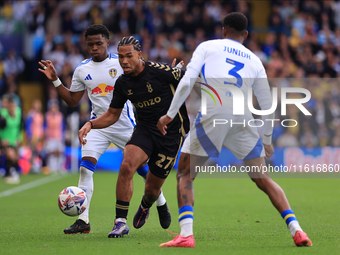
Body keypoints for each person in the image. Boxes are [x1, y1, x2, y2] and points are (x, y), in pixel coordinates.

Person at [157, 12, 312, 248]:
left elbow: (188, 80)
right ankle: (297, 230)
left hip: (213, 114)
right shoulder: (255, 60)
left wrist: (169, 114)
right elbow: (267, 104)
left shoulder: (207, 47)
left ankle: (186, 235)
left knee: (185, 174)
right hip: (243, 118)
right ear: (246, 35)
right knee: (263, 178)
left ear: (223, 30)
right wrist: (267, 140)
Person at [38, 24, 169, 234]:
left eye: (98, 43)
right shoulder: (82, 69)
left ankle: (161, 202)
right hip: (97, 125)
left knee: (143, 169)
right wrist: (55, 80)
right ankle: (83, 220)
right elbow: (72, 100)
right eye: (90, 44)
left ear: (108, 42)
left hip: (125, 124)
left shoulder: (122, 63)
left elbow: (146, 73)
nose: (94, 48)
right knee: (85, 167)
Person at [78, 36, 189, 238]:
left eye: (129, 56)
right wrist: (90, 124)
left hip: (171, 134)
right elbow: (112, 114)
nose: (124, 61)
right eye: (120, 57)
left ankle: (147, 204)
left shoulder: (159, 71)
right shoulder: (122, 83)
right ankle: (120, 222)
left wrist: (180, 74)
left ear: (140, 55)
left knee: (152, 189)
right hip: (145, 129)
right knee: (127, 165)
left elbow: (188, 80)